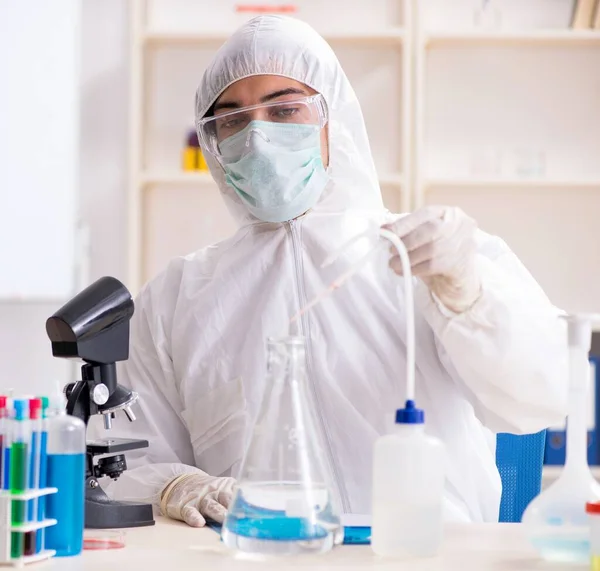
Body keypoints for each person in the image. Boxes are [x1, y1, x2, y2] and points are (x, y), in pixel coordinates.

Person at [96, 15, 568, 527]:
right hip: (264, 559)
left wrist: (468, 296)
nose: (257, 138)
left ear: (332, 118)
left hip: (424, 556)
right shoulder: (176, 299)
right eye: (232, 120)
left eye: (285, 108)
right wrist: (174, 484)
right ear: (211, 143)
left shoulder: (429, 256)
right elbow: (126, 462)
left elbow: (541, 401)